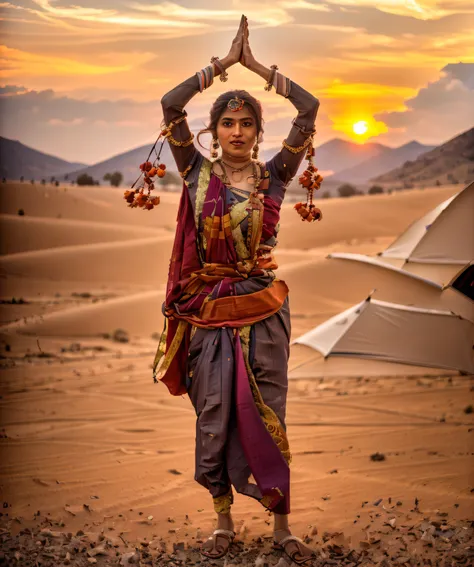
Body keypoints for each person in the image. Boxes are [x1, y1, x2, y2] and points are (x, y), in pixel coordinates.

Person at [153, 15, 319, 565]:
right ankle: (222, 520)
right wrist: (221, 65)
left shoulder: (274, 177)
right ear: (214, 130)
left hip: (262, 310)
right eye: (228, 121)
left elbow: (310, 109)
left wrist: (256, 68)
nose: (238, 131)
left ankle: (281, 523)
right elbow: (169, 105)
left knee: (269, 411)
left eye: (247, 122)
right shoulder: (195, 173)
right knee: (216, 411)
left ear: (259, 131)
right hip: (209, 312)